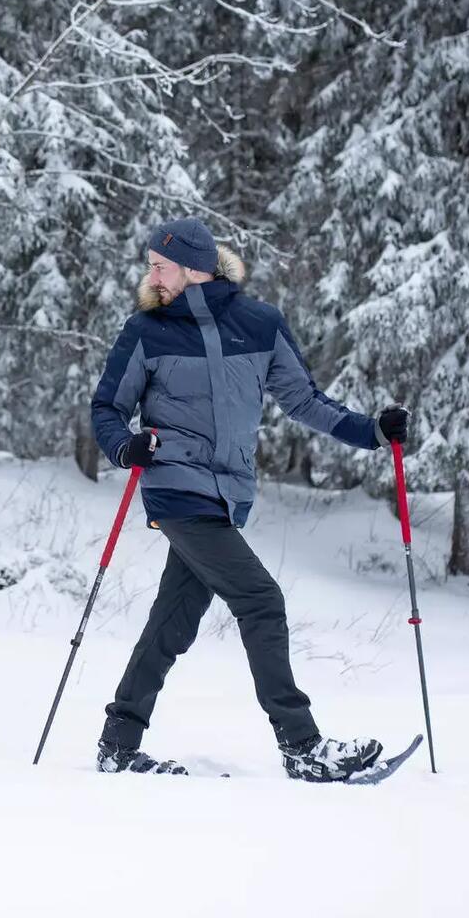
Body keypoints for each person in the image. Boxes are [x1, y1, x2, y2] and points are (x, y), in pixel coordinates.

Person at [90, 217, 410, 782]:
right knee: (261, 600)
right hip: (175, 486)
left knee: (172, 623)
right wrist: (125, 447)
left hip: (227, 495)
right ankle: (303, 745)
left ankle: (118, 743)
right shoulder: (147, 329)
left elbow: (304, 400)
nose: (151, 275)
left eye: (159, 265)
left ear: (195, 267)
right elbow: (107, 409)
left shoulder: (260, 324)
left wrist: (373, 433)